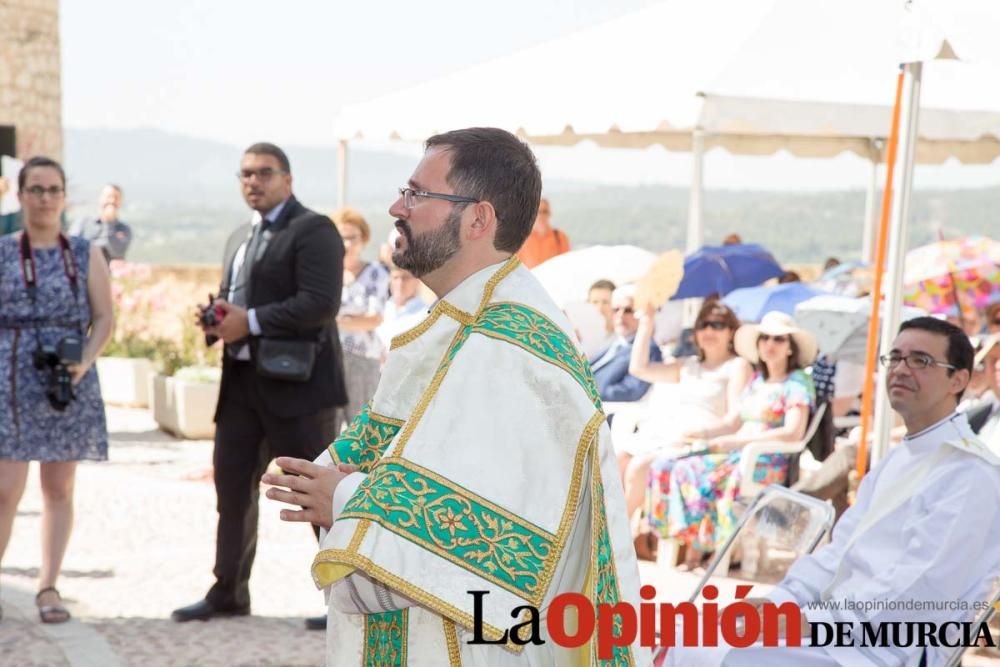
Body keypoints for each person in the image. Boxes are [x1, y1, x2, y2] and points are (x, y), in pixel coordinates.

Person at [260, 127, 647, 665]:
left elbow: (501, 544)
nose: (398, 206)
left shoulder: (510, 348)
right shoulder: (469, 324)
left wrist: (343, 499)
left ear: (477, 219)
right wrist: (332, 478)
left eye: (417, 194)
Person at [666, 317, 1000, 667]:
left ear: (958, 380)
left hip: (887, 648)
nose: (901, 369)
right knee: (696, 638)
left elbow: (918, 594)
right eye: (896, 358)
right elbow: (838, 554)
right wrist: (781, 601)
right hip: (833, 629)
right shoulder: (899, 458)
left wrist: (806, 622)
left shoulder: (971, 473)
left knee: (728, 657)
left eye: (920, 361)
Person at [171, 143, 347, 628]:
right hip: (240, 387)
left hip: (300, 391)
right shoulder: (239, 237)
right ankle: (228, 591)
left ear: (287, 179)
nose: (253, 181)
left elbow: (319, 303)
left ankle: (347, 603)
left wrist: (250, 320)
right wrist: (218, 318)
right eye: (245, 174)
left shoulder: (314, 230)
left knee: (320, 498)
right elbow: (237, 306)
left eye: (263, 173)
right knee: (231, 494)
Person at [0, 156, 113, 623]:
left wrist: (83, 362)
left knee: (59, 488)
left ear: (64, 197)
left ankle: (48, 586)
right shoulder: (4, 249)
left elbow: (104, 318)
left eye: (53, 190)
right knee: (5, 490)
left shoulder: (84, 252)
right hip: (9, 378)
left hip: (67, 380)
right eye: (36, 189)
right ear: (20, 194)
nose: (45, 198)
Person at [655, 310, 816, 566]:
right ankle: (696, 547)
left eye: (778, 340)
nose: (769, 345)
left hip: (766, 460)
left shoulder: (797, 382)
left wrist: (741, 443)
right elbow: (733, 422)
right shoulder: (757, 381)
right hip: (738, 453)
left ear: (790, 348)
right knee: (680, 466)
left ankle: (716, 552)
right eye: (764, 339)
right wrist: (703, 433)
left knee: (703, 473)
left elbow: (793, 432)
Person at [616, 301, 751, 529]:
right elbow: (638, 368)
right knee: (620, 459)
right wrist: (647, 322)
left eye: (717, 325)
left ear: (731, 332)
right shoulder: (687, 365)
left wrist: (700, 432)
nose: (709, 331)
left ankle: (616, 534)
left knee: (640, 466)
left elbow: (734, 421)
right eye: (703, 324)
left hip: (703, 441)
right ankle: (613, 530)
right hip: (669, 435)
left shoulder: (737, 366)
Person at [332, 207, 389, 423]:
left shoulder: (376, 273)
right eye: (341, 237)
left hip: (363, 359)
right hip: (330, 359)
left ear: (363, 239)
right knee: (328, 430)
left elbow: (374, 319)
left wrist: (333, 321)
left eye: (352, 238)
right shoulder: (327, 273)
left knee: (362, 429)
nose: (347, 244)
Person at [589, 284, 662, 404]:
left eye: (628, 310)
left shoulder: (647, 350)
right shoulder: (614, 344)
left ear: (642, 314)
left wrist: (587, 392)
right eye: (616, 310)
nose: (620, 315)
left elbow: (630, 391)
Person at [68, 184, 133, 262]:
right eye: (109, 196)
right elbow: (71, 247)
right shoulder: (83, 222)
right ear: (101, 198)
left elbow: (118, 252)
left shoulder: (124, 229)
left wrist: (108, 223)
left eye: (116, 197)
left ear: (120, 202)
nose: (112, 201)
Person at [374, 266, 428, 355]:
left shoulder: (425, 315)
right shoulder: (380, 309)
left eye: (406, 277)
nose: (400, 283)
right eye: (395, 277)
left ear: (417, 280)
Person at [515, 196, 569, 268]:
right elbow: (516, 267)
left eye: (544, 211)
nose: (541, 215)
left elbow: (567, 263)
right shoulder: (522, 238)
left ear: (549, 213)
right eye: (538, 211)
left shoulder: (560, 236)